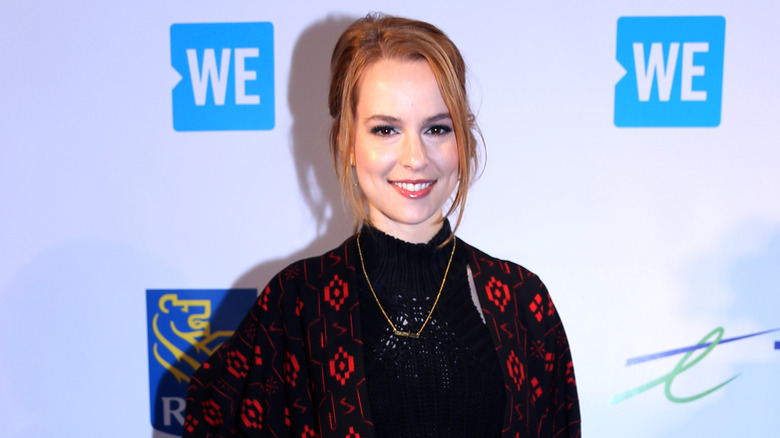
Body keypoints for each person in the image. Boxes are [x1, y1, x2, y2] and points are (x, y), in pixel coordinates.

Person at [183, 13, 580, 437]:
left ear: (462, 140)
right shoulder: (297, 302)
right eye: (386, 129)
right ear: (347, 142)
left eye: (437, 128)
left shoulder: (521, 301)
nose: (415, 157)